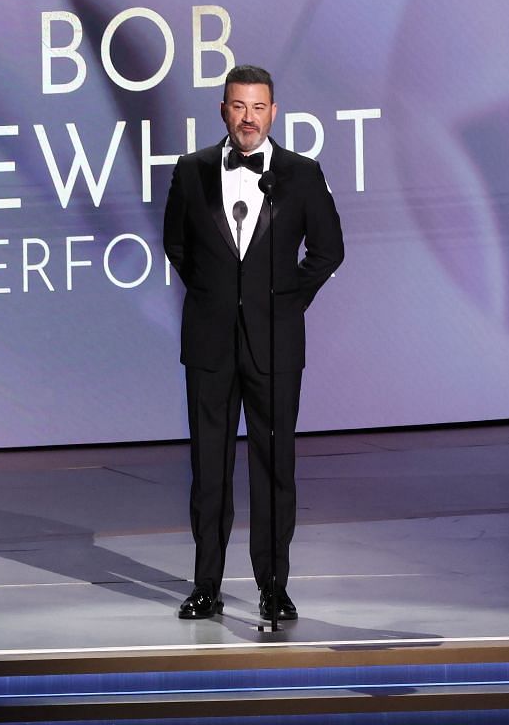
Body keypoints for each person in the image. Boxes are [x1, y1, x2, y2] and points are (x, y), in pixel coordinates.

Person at [162, 65, 343, 622]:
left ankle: (273, 586)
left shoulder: (301, 173)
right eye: (238, 107)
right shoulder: (191, 171)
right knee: (208, 469)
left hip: (275, 345)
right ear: (223, 110)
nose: (248, 118)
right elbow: (176, 244)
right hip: (211, 345)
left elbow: (329, 249)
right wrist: (219, 296)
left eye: (258, 107)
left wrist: (286, 301)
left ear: (273, 112)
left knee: (274, 467)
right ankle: (205, 586)